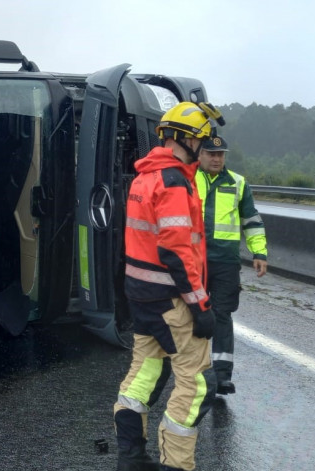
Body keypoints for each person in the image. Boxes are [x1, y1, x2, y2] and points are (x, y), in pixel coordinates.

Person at [113, 101, 218, 471]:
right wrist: (200, 306)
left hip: (142, 296)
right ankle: (176, 465)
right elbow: (176, 251)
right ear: (186, 140)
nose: (205, 149)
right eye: (202, 141)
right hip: (172, 301)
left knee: (145, 370)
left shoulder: (145, 176)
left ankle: (131, 459)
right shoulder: (173, 182)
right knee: (198, 384)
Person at [195, 135, 267, 396]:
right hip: (195, 259)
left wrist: (259, 252)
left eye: (221, 154)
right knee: (194, 313)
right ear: (200, 154)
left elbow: (251, 220)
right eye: (211, 154)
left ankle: (222, 376)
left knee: (222, 315)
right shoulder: (189, 178)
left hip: (225, 261)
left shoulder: (237, 183)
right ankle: (194, 371)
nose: (216, 159)